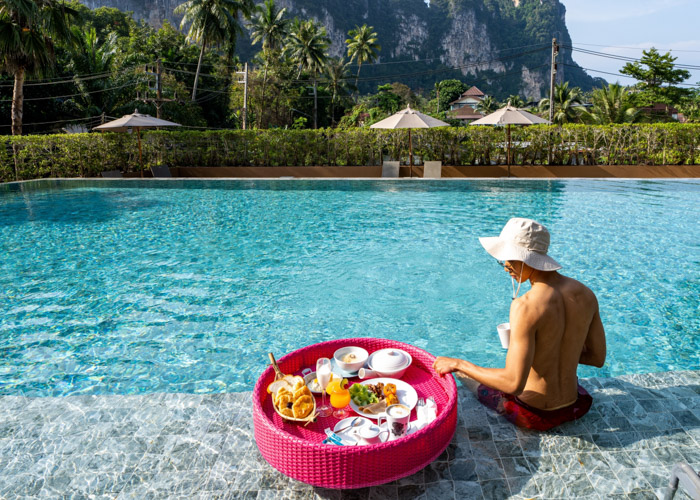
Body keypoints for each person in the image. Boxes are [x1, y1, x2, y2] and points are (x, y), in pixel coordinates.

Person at [433, 218, 606, 431]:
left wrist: (460, 364)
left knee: (463, 374)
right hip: (576, 405)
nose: (506, 266)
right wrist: (556, 350)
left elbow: (513, 384)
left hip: (533, 413)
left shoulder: (525, 306)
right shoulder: (586, 294)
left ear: (525, 258)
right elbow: (597, 358)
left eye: (508, 258)